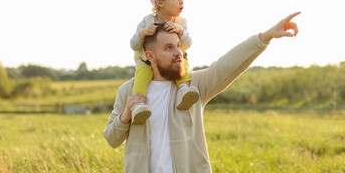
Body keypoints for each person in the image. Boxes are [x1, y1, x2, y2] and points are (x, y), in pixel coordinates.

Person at [104, 11, 300, 173]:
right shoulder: (128, 91)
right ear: (150, 56)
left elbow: (228, 65)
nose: (178, 53)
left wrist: (265, 37)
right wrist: (125, 115)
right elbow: (112, 139)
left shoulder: (192, 86)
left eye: (178, 46)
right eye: (168, 48)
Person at [129, 0, 199, 125]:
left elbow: (188, 44)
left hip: (174, 63)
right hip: (147, 63)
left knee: (183, 66)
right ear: (160, 2)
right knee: (142, 75)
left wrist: (180, 32)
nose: (181, 2)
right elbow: (134, 45)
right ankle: (138, 105)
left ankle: (183, 91)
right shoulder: (146, 22)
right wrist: (142, 34)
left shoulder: (181, 23)